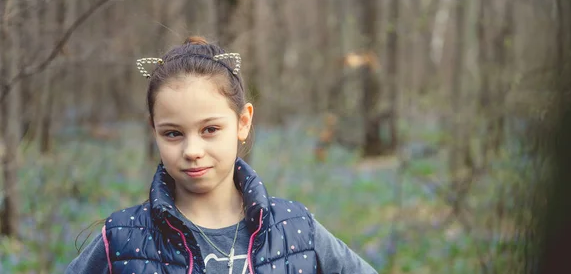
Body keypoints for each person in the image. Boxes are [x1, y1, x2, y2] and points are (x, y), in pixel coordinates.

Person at [66, 36, 378, 274]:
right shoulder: (123, 238)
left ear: (243, 122)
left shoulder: (295, 229)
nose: (192, 151)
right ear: (154, 130)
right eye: (173, 133)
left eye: (210, 129)